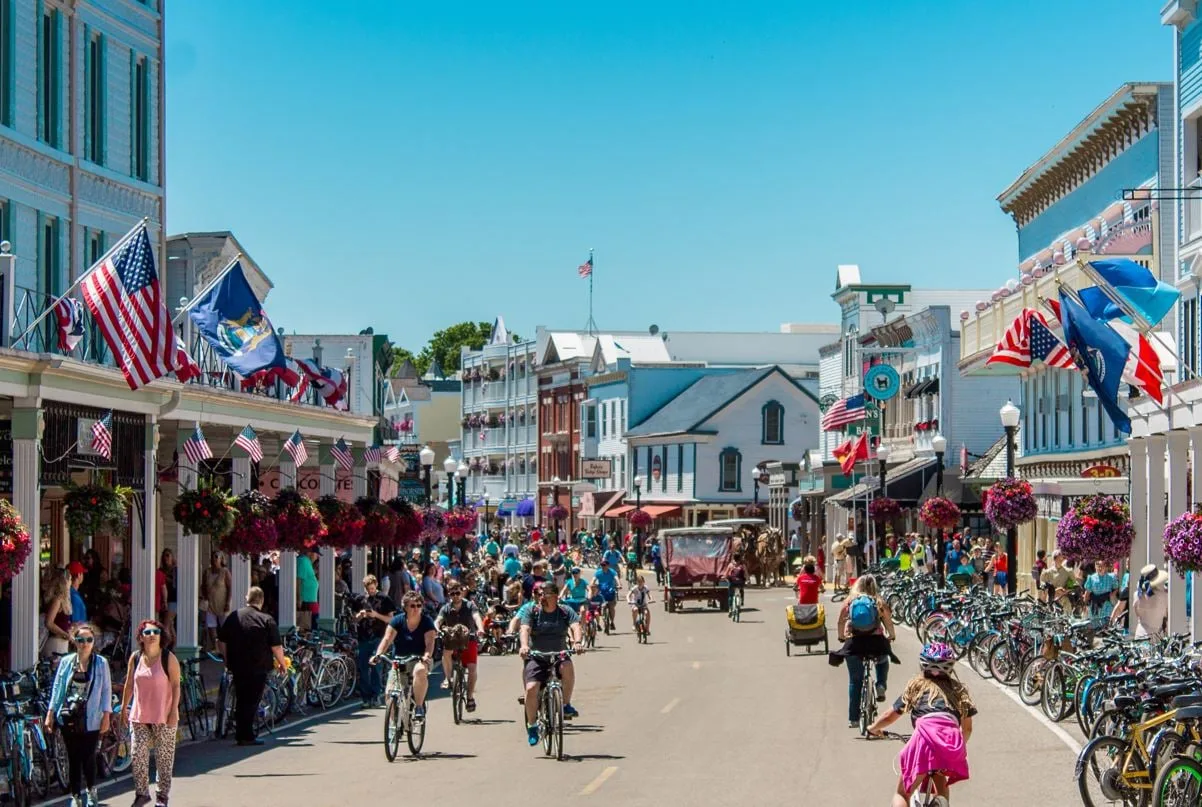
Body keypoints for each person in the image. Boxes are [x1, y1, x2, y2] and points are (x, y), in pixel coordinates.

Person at [867, 642, 975, 807]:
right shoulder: (959, 690)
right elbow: (967, 729)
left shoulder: (917, 686)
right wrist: (957, 746)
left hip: (924, 741)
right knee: (940, 779)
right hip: (951, 743)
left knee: (903, 792)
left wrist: (873, 728)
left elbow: (890, 716)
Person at [45, 622, 112, 807]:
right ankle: (75, 796)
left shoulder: (100, 663)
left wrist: (106, 715)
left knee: (89, 756)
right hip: (69, 716)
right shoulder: (67, 662)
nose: (84, 643)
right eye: (80, 639)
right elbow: (58, 688)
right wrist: (50, 713)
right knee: (73, 757)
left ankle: (91, 791)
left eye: (89, 640)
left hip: (91, 718)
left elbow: (106, 690)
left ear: (93, 642)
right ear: (74, 641)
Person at [121, 618, 180, 807]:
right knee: (138, 755)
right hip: (139, 715)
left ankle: (162, 796)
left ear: (161, 636)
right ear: (141, 637)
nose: (152, 635)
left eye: (155, 632)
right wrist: (123, 707)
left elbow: (176, 686)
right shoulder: (135, 658)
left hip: (163, 715)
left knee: (164, 759)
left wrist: (173, 712)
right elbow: (129, 684)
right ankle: (142, 793)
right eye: (147, 633)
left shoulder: (168, 658)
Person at [217, 587, 287, 747]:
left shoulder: (234, 616)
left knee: (242, 699)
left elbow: (220, 641)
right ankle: (246, 735)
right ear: (261, 600)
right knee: (251, 701)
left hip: (238, 665)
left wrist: (226, 659)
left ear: (247, 598)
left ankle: (241, 732)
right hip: (258, 666)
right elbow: (276, 646)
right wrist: (282, 664)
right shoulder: (266, 619)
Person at [519, 581, 584, 746]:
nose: (541, 597)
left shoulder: (564, 611)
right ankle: (532, 725)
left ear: (555, 596)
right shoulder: (532, 610)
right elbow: (525, 629)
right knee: (531, 688)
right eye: (540, 594)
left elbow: (576, 626)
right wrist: (525, 646)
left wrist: (577, 642)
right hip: (537, 656)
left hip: (559, 654)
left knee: (567, 667)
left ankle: (565, 704)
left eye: (545, 594)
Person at [833, 574, 896, 728]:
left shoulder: (850, 601)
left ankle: (854, 718)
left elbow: (840, 621)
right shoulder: (877, 601)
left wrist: (842, 636)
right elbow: (888, 621)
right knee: (882, 659)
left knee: (855, 680)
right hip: (875, 642)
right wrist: (891, 635)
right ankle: (880, 684)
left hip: (854, 643)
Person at [371, 591, 435, 719]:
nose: (416, 608)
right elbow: (387, 639)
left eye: (419, 605)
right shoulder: (397, 620)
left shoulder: (426, 621)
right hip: (399, 661)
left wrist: (426, 656)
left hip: (419, 659)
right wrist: (378, 654)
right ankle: (394, 725)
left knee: (420, 670)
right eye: (412, 606)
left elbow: (429, 642)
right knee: (389, 693)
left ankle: (418, 707)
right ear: (405, 607)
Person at [435, 581, 485, 712]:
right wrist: (435, 628)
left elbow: (476, 617)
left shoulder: (469, 605)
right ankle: (448, 678)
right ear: (449, 595)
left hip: (469, 638)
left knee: (472, 668)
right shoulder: (445, 608)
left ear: (462, 592)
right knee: (446, 652)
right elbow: (438, 620)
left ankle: (469, 697)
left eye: (458, 593)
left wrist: (480, 628)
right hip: (452, 639)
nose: (455, 596)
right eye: (452, 594)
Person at [350, 575, 395, 707]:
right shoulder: (361, 599)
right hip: (363, 636)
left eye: (372, 588)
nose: (370, 591)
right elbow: (354, 619)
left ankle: (376, 696)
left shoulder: (384, 599)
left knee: (376, 666)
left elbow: (390, 619)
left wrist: (376, 615)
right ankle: (366, 698)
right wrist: (360, 615)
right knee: (363, 668)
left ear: (376, 585)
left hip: (378, 636)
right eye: (368, 589)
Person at [1111, 564, 1169, 638]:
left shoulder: (1137, 595)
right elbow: (1165, 615)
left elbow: (1138, 614)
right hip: (1157, 635)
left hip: (1141, 634)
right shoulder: (1163, 596)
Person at [201, 552, 232, 653]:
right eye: (213, 556)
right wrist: (205, 596)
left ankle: (226, 647)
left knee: (225, 626)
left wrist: (228, 602)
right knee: (211, 625)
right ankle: (216, 646)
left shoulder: (225, 572)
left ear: (221, 559)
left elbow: (229, 587)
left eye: (216, 557)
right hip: (210, 603)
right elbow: (203, 585)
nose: (214, 559)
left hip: (222, 602)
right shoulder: (207, 572)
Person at [43, 570, 75, 658]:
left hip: (63, 643)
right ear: (65, 582)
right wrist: (65, 634)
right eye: (70, 580)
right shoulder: (57, 600)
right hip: (55, 643)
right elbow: (49, 623)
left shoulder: (64, 600)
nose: (71, 582)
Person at [1084, 561, 1119, 629]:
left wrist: (1113, 594)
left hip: (1106, 603)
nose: (1100, 568)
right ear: (1095, 566)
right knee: (1095, 627)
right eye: (1098, 566)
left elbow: (1116, 588)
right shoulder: (1091, 578)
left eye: (1102, 566)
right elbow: (1087, 593)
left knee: (1106, 625)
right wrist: (1085, 605)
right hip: (1095, 604)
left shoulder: (1111, 577)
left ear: (1106, 567)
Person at [593, 559, 620, 629]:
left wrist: (619, 585)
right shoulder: (598, 572)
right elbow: (593, 580)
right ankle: (604, 618)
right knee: (602, 606)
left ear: (608, 565)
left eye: (604, 565)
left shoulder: (612, 572)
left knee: (611, 607)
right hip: (602, 592)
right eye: (601, 565)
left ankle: (612, 622)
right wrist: (591, 585)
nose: (603, 566)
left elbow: (616, 578)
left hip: (610, 591)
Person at [158, 550, 176, 636]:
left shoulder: (175, 570)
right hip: (162, 600)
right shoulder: (160, 570)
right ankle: (173, 644)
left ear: (172, 557)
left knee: (166, 625)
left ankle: (165, 645)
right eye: (164, 556)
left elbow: (175, 584)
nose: (166, 558)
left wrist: (166, 579)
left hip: (173, 600)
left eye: (168, 555)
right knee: (170, 626)